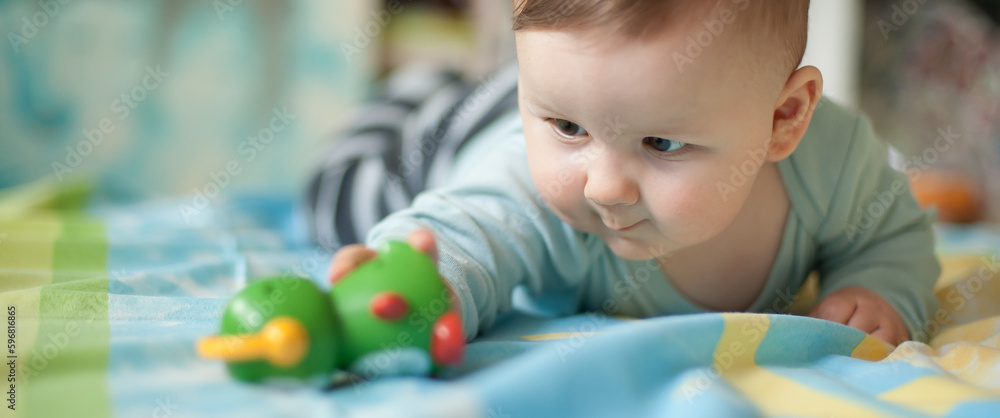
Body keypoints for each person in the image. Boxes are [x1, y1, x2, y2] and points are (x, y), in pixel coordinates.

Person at [307, 0, 940, 346]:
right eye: (569, 131)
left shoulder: (835, 163)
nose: (604, 187)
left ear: (784, 118)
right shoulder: (528, 186)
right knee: (344, 199)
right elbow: (471, 229)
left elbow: (890, 235)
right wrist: (430, 282)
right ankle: (424, 93)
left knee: (564, 111)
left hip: (535, 99)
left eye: (662, 142)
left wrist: (878, 288)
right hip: (455, 133)